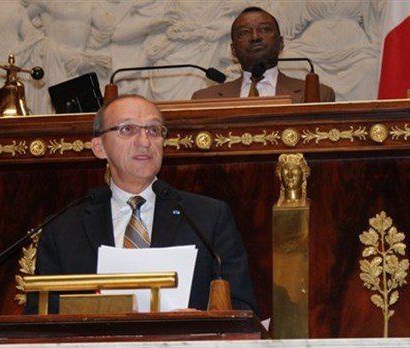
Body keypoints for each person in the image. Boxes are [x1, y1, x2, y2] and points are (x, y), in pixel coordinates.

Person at [26, 94, 258, 314]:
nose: (145, 141)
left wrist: (198, 322)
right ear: (99, 147)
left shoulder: (207, 218)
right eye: (127, 129)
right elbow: (41, 314)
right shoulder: (64, 228)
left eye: (154, 130)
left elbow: (241, 306)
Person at [191, 6, 335, 103]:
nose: (255, 37)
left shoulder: (319, 94)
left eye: (264, 29)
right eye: (244, 32)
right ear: (233, 50)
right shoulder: (204, 99)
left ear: (281, 43)